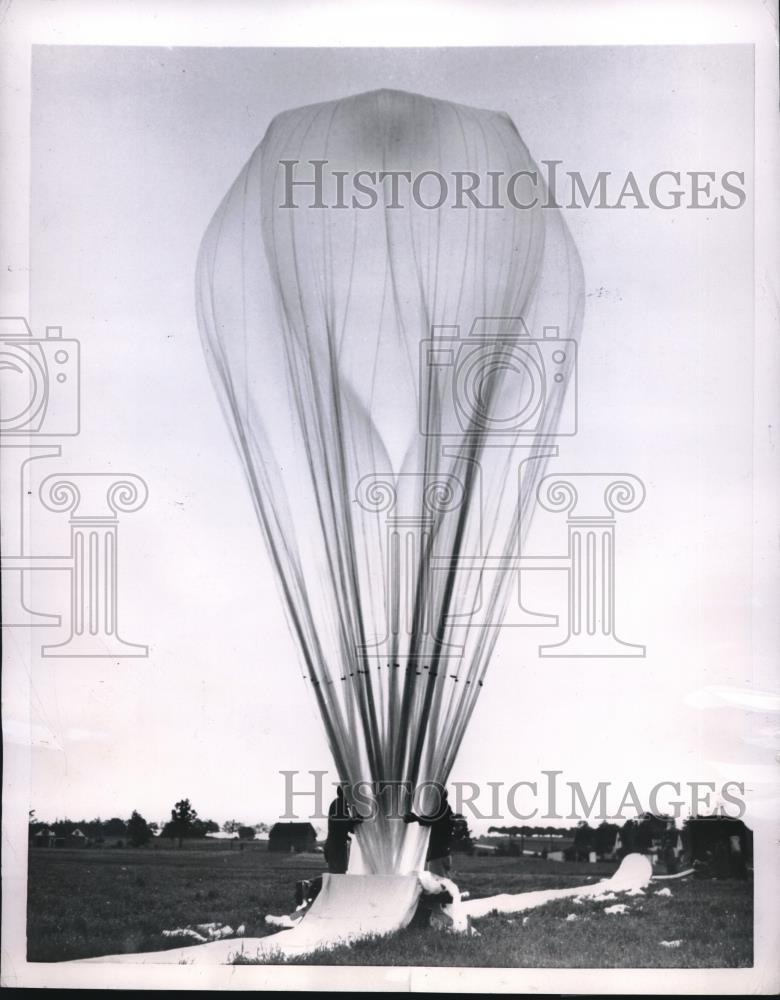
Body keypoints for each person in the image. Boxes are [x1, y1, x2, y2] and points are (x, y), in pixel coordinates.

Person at [404, 788, 455, 877]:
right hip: (443, 853)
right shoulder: (446, 809)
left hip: (438, 855)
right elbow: (434, 820)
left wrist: (416, 818)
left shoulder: (443, 808)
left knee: (438, 883)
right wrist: (417, 818)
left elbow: (432, 820)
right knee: (442, 881)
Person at [323, 785, 362, 874]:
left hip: (336, 845)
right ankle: (309, 884)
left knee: (338, 873)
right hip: (336, 846)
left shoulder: (340, 804)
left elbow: (345, 824)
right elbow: (342, 824)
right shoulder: (339, 804)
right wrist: (356, 820)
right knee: (338, 874)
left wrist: (354, 821)